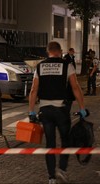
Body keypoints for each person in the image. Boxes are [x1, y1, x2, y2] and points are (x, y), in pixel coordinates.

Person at [29, 41, 87, 184]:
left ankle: (51, 178)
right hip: (61, 110)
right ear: (60, 51)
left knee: (50, 144)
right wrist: (82, 108)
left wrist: (31, 111)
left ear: (47, 51)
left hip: (45, 111)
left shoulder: (40, 66)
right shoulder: (67, 65)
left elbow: (33, 90)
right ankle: (61, 169)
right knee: (65, 141)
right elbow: (75, 87)